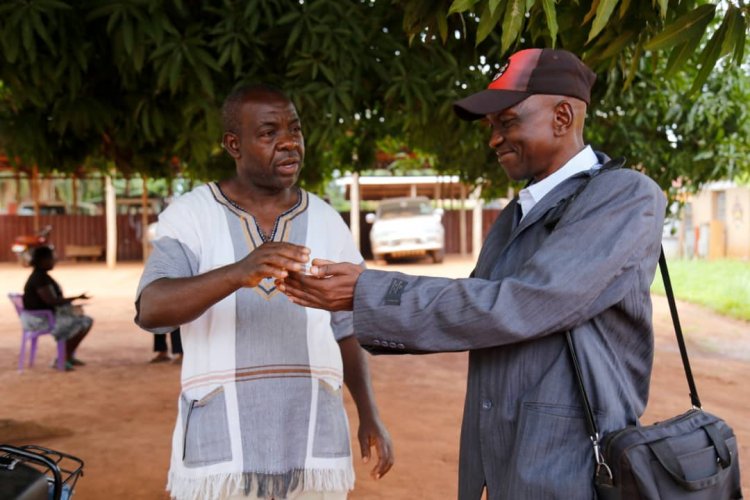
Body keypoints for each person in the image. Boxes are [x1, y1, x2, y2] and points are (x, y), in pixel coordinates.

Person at [279, 48, 667, 499]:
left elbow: (521, 304)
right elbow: (476, 309)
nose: (494, 140)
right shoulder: (518, 212)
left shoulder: (625, 196)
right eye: (491, 127)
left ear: (563, 117)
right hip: (505, 465)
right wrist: (362, 294)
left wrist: (366, 292)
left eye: (507, 122)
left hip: (573, 468)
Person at [135, 84, 393, 500]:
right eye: (269, 132)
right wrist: (237, 273)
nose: (289, 142)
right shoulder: (191, 216)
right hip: (224, 450)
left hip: (311, 445)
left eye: (295, 129)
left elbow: (348, 326)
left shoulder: (327, 220)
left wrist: (369, 413)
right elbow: (151, 308)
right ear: (233, 144)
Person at [22, 245, 93, 371]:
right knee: (81, 323)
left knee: (85, 320)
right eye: (51, 258)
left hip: (43, 316)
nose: (54, 261)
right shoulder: (39, 278)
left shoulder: (42, 275)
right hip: (41, 320)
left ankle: (67, 355)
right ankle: (62, 357)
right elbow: (52, 301)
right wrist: (76, 298)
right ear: (42, 260)